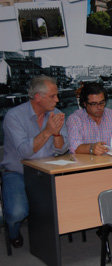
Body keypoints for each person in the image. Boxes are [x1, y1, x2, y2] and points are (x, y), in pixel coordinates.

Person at [0, 75, 68, 248]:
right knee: (17, 212)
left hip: (47, 172)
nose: (57, 99)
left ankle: (47, 239)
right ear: (38, 97)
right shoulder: (13, 116)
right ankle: (13, 232)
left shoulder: (57, 114)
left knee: (68, 201)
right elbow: (24, 152)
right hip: (18, 171)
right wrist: (47, 132)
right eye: (53, 96)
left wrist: (57, 133)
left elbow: (62, 149)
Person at [66, 82, 112, 155]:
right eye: (94, 104)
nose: (99, 107)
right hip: (88, 164)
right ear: (85, 103)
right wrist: (91, 148)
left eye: (102, 103)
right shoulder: (75, 119)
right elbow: (74, 147)